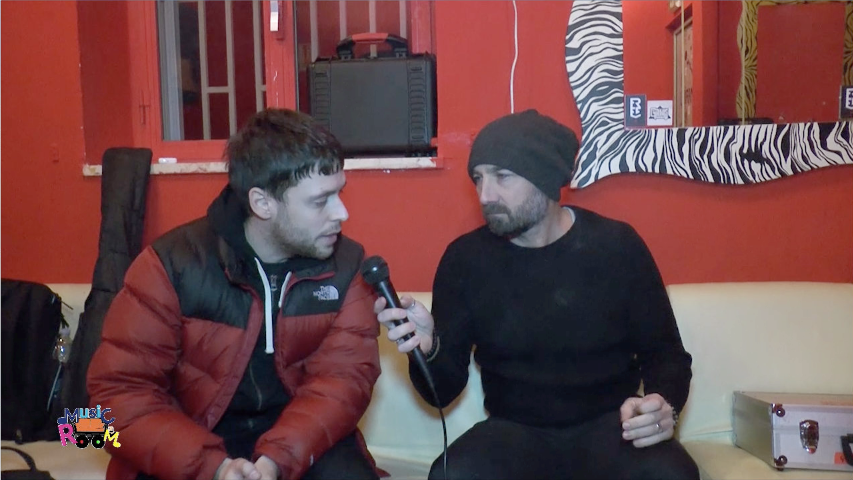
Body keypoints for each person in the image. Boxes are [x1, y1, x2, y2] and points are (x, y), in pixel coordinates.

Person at [375, 109, 700, 479]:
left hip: (612, 428)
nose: (485, 195)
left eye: (502, 176)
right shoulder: (465, 260)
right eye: (478, 178)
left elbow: (667, 355)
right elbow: (441, 393)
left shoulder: (617, 247)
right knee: (453, 474)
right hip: (513, 432)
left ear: (545, 178)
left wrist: (663, 404)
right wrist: (429, 348)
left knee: (672, 474)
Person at [88, 109, 381, 480]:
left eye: (339, 193)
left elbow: (344, 383)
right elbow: (112, 401)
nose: (342, 212)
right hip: (188, 438)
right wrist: (213, 468)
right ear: (262, 203)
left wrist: (276, 460)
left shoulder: (349, 266)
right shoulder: (169, 265)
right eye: (321, 201)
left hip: (298, 438)